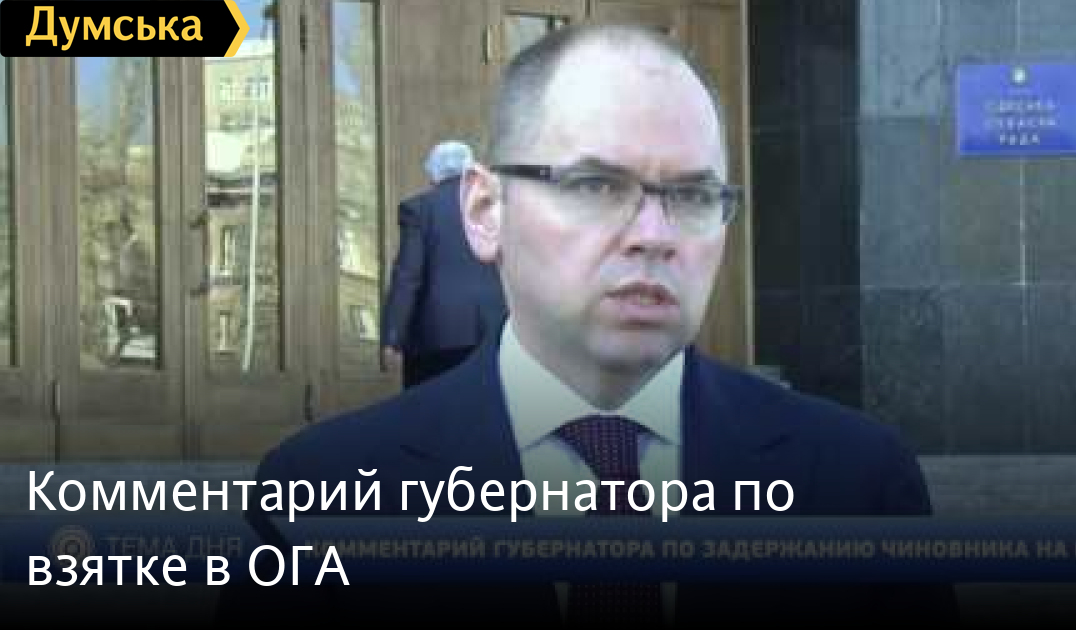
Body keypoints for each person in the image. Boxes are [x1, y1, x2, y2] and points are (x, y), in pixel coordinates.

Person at [225, 23, 958, 627]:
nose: (653, 235)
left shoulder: (859, 484)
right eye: (597, 185)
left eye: (692, 195)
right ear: (484, 210)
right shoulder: (319, 494)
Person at [380, 140, 506, 386]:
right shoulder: (496, 208)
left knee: (433, 407)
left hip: (437, 339)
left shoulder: (419, 208)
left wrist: (393, 336)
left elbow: (408, 275)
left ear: (434, 174)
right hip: (495, 333)